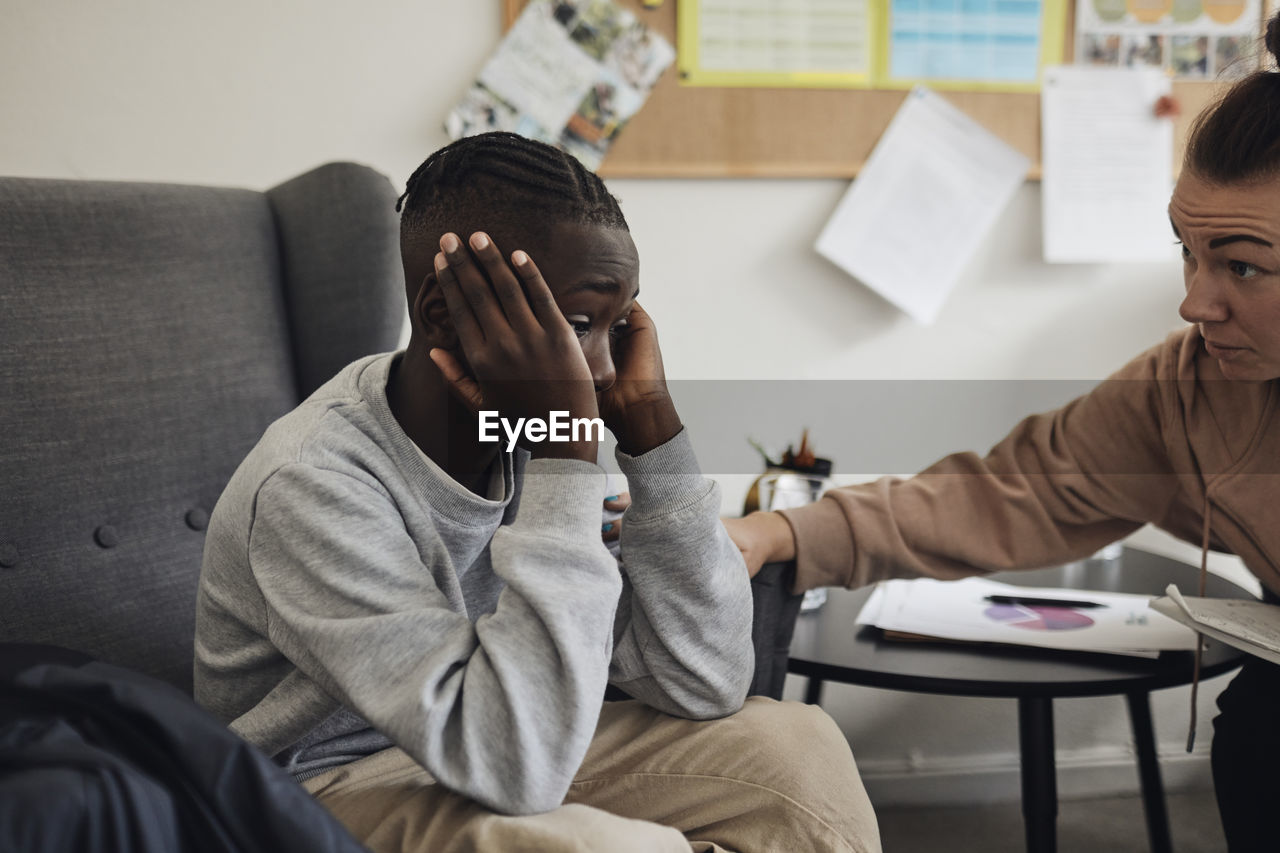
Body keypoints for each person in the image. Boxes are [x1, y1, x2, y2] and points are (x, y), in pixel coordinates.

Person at [194, 131, 880, 853]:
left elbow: (705, 681)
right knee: (605, 847)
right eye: (581, 324)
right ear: (442, 314)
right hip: (312, 797)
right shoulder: (312, 486)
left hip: (500, 744)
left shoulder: (525, 441)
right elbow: (521, 768)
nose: (608, 371)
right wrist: (566, 455)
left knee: (796, 747)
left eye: (622, 324)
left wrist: (653, 434)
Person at [725, 19, 1280, 852]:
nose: (1195, 303)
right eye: (1187, 253)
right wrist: (778, 530)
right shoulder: (1187, 388)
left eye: (1241, 264)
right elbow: (1009, 490)